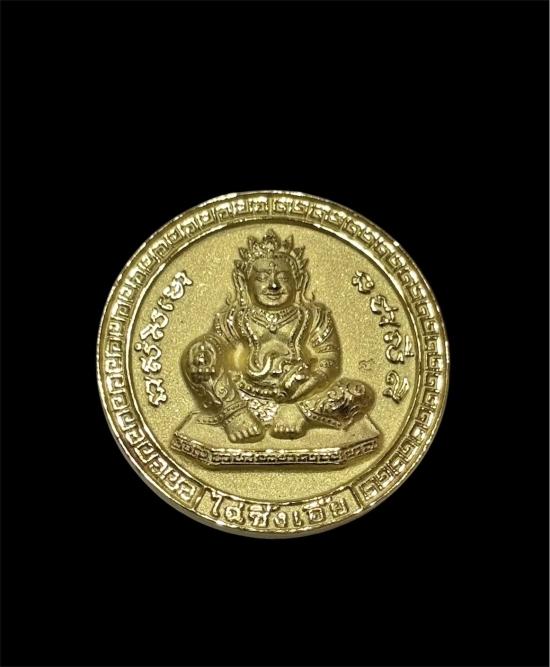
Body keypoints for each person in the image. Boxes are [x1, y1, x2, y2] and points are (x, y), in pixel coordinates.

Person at [182, 229, 373, 443]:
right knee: (198, 354)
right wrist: (204, 351)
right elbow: (217, 348)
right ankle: (235, 416)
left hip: (303, 398)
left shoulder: (314, 315)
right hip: (244, 397)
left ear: (299, 281)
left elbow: (329, 361)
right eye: (262, 278)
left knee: (359, 393)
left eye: (283, 277)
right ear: (243, 283)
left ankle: (299, 415)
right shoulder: (233, 317)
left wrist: (306, 387)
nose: (273, 285)